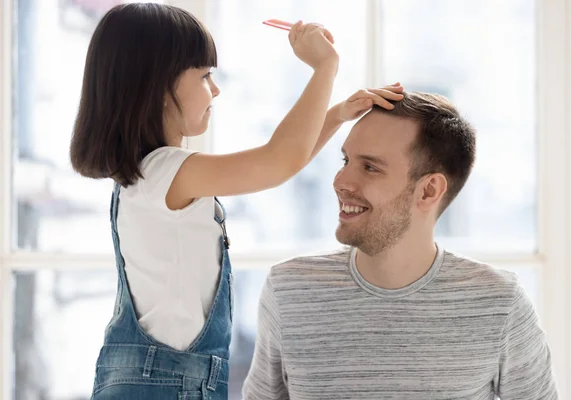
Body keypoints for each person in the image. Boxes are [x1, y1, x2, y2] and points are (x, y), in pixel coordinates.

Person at [68, 3, 360, 398]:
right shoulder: (168, 171)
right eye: (205, 75)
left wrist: (337, 114)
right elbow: (277, 161)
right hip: (169, 384)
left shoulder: (148, 176)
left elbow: (281, 161)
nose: (216, 88)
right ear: (158, 86)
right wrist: (325, 68)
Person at [242, 91, 559, 399]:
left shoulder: (499, 302)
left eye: (370, 167)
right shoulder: (289, 290)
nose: (340, 181)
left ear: (428, 191)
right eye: (346, 160)